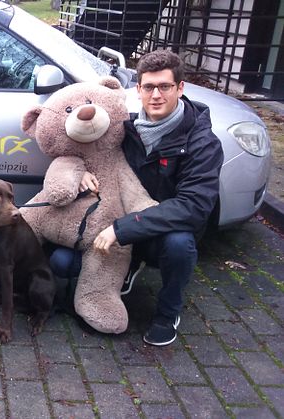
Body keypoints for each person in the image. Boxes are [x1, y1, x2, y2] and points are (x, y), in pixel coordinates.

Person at [51, 49, 224, 346]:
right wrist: (77, 172)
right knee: (61, 261)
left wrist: (122, 229)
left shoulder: (202, 142)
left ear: (180, 89)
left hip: (157, 233)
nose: (156, 95)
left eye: (165, 87)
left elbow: (194, 207)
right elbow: (91, 150)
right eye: (149, 87)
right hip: (119, 226)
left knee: (179, 244)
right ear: (138, 89)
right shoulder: (125, 129)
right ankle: (124, 270)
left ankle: (167, 314)